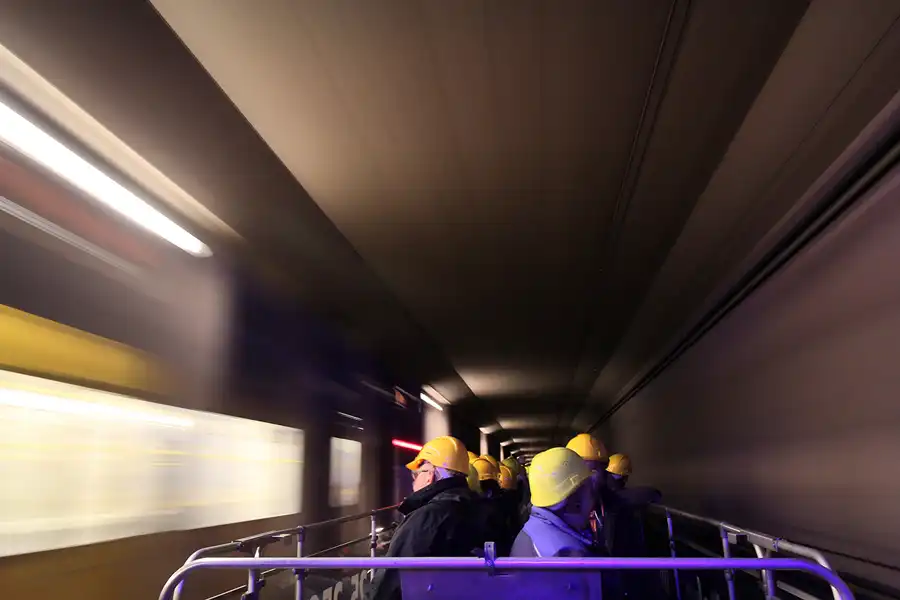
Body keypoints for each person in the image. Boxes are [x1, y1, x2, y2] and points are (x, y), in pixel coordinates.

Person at [369, 436, 482, 600]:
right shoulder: (476, 507)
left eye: (415, 475)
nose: (413, 482)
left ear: (430, 475)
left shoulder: (425, 518)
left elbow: (390, 583)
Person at [510, 447, 596, 557]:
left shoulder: (533, 529)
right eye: (589, 490)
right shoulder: (566, 554)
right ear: (574, 499)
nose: (593, 497)